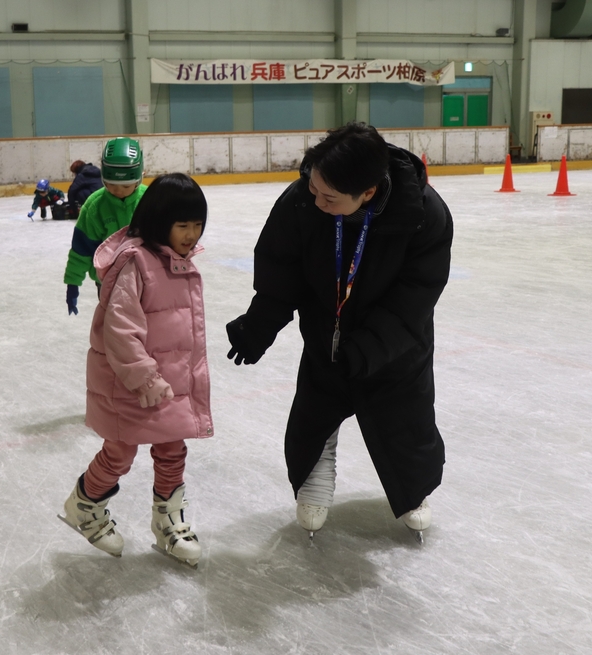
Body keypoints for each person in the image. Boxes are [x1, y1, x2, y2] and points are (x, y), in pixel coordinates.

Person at [226, 122, 453, 543]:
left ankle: (412, 490)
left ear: (367, 192)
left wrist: (369, 347)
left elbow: (416, 295)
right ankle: (315, 472)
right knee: (314, 415)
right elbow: (280, 270)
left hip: (396, 347)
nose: (317, 201)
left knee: (407, 421)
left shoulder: (423, 214)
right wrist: (259, 325)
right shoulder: (302, 201)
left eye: (329, 198)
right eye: (314, 189)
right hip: (325, 338)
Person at [59, 173, 213, 567]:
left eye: (198, 225)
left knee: (172, 448)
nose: (191, 235)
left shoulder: (180, 263)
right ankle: (85, 505)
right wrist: (145, 376)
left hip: (168, 382)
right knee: (120, 453)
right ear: (161, 222)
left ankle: (168, 523)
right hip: (129, 381)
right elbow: (120, 330)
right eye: (183, 226)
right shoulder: (136, 263)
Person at [63, 137, 146, 315]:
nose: (118, 191)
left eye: (125, 185)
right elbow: (81, 249)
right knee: (115, 329)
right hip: (108, 282)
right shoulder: (95, 206)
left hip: (145, 279)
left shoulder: (150, 200)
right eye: (111, 184)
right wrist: (73, 283)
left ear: (139, 178)